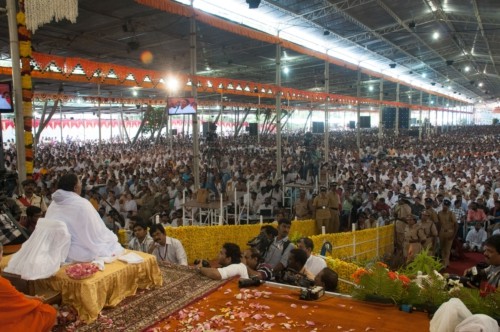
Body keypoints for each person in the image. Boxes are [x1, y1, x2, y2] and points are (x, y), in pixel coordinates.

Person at [44, 173, 124, 262]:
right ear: (75, 188)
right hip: (75, 254)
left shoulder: (53, 204)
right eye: (80, 183)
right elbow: (95, 232)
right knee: (107, 242)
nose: (82, 185)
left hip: (55, 250)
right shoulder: (82, 204)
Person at [0, 243, 57, 332]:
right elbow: (21, 301)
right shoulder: (2, 283)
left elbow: (16, 297)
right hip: (5, 323)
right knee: (48, 312)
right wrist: (36, 300)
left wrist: (32, 298)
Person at [438, 199, 458, 268]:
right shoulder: (439, 213)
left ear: (448, 206)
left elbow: (456, 225)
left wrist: (454, 235)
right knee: (442, 248)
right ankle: (445, 262)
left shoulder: (451, 213)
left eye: (446, 205)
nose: (445, 207)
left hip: (450, 232)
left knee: (447, 249)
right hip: (442, 232)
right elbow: (439, 224)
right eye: (444, 205)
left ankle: (445, 263)